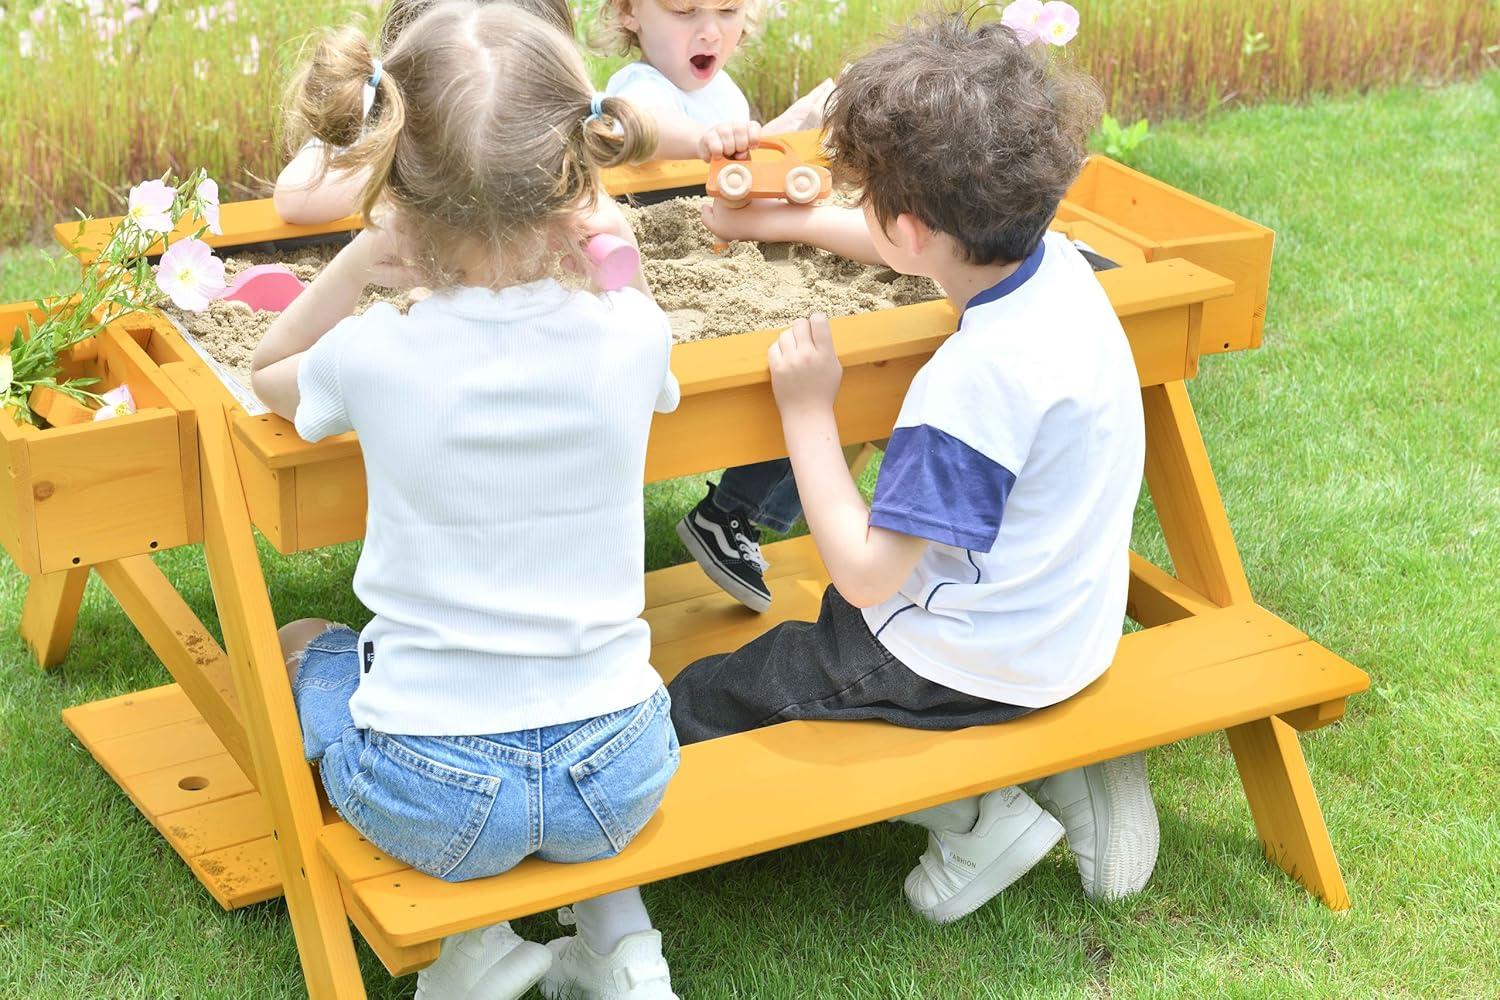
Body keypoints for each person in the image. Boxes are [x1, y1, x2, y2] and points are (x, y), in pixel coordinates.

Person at [671, 14, 1160, 924]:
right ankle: (1062, 761)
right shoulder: (1055, 272)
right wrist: (792, 222)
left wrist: (810, 414)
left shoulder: (967, 389)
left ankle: (977, 814)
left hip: (956, 659)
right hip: (1065, 627)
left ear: (907, 223)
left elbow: (862, 576)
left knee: (709, 695)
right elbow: (917, 248)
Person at [251, 5, 683, 996]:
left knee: (305, 641)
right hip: (621, 773)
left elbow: (268, 365)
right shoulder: (634, 334)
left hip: (434, 799)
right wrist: (601, 237)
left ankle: (477, 955)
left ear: (393, 179)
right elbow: (631, 298)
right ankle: (623, 946)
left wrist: (365, 254)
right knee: (571, 746)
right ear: (582, 170)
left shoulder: (372, 354)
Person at [271, 0, 577, 225]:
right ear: (408, 79)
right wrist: (413, 165)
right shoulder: (378, 112)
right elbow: (295, 197)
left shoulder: (558, 126)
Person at [596, 0, 834, 162]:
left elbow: (733, 158)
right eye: (685, 10)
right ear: (628, 10)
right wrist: (701, 140)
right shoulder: (641, 85)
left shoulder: (724, 89)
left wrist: (778, 133)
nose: (711, 33)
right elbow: (645, 123)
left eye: (728, 10)